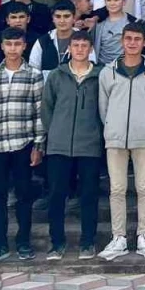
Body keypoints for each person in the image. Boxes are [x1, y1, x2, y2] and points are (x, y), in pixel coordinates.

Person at [0, 27, 44, 265]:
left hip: (23, 143)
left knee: (24, 195)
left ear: (24, 46)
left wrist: (38, 145)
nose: (13, 49)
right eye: (9, 44)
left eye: (17, 44)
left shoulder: (34, 75)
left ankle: (23, 241)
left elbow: (39, 112)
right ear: (2, 46)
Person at [98, 22, 145, 260]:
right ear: (122, 41)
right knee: (117, 189)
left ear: (144, 43)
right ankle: (119, 238)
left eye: (137, 39)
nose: (132, 43)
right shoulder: (108, 71)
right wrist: (111, 127)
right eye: (128, 39)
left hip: (144, 137)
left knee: (144, 187)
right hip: (115, 138)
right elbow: (103, 107)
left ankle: (144, 236)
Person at [41, 29, 103, 261]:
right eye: (75, 45)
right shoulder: (57, 75)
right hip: (59, 145)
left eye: (84, 46)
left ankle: (87, 242)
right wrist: (55, 132)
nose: (79, 49)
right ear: (69, 48)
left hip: (89, 145)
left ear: (90, 49)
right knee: (57, 196)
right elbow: (47, 108)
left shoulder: (100, 75)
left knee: (89, 195)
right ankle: (57, 242)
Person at [0, 4, 37, 75]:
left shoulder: (37, 40)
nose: (18, 20)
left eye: (21, 17)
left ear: (28, 19)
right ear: (7, 20)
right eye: (13, 17)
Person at [29, 0, 78, 78]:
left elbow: (90, 67)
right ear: (53, 19)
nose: (62, 21)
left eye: (66, 16)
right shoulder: (42, 41)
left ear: (74, 18)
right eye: (58, 16)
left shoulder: (84, 40)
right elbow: (33, 71)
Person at [92, 0, 134, 66]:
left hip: (124, 67)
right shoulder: (98, 23)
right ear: (105, 2)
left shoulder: (132, 22)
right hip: (101, 67)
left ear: (124, 1)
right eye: (108, 0)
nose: (112, 3)